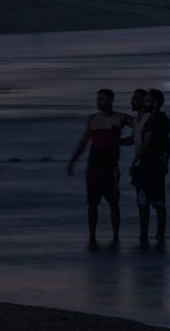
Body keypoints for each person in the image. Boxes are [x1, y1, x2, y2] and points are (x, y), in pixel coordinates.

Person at [67, 88, 133, 249]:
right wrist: (73, 161)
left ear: (110, 100)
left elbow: (141, 129)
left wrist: (123, 141)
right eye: (98, 99)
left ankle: (116, 236)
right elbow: (84, 142)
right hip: (94, 167)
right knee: (92, 204)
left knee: (114, 203)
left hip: (111, 167)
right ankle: (92, 236)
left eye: (102, 99)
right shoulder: (92, 119)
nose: (98, 102)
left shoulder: (120, 118)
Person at [132, 89, 170, 247]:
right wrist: (166, 160)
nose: (144, 102)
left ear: (155, 103)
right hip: (158, 164)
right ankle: (159, 234)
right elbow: (168, 142)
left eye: (147, 100)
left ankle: (145, 235)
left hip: (148, 165)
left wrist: (134, 161)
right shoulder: (164, 119)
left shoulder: (154, 120)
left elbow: (146, 143)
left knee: (145, 200)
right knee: (158, 201)